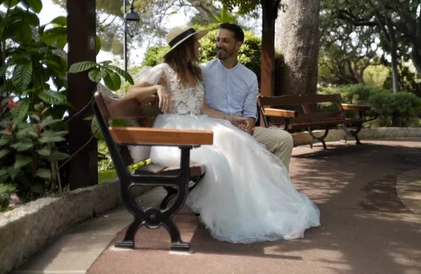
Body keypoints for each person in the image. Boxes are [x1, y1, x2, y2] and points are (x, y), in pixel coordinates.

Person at [126, 25, 320, 244]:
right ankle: (241, 207)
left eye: (223, 40)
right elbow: (131, 92)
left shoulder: (195, 72)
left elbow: (204, 109)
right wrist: (157, 89)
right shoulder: (163, 70)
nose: (202, 45)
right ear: (185, 47)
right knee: (224, 152)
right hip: (175, 133)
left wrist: (232, 120)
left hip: (198, 124)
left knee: (237, 141)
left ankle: (261, 201)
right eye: (196, 42)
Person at [200, 23, 294, 169]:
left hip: (241, 129)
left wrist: (250, 123)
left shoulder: (249, 77)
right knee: (234, 142)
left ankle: (279, 186)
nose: (219, 44)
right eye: (218, 40)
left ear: (238, 45)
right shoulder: (203, 71)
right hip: (213, 130)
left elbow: (250, 112)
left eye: (225, 41)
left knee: (284, 139)